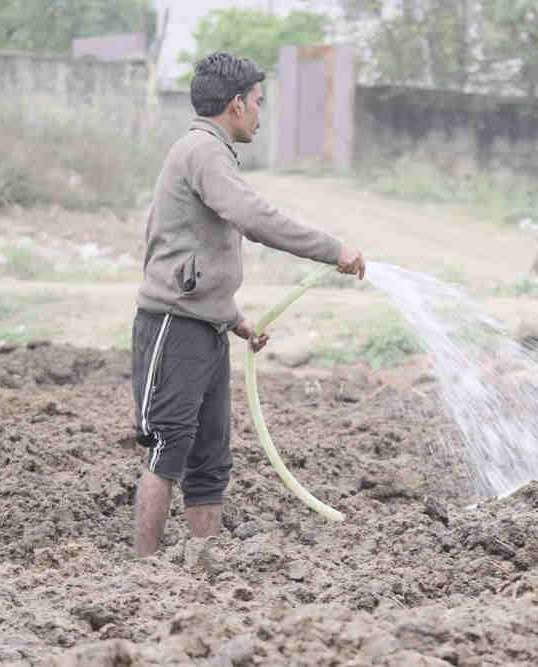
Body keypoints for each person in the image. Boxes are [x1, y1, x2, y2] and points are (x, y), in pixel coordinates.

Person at [130, 51, 365, 557]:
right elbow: (252, 217)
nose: (261, 113)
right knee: (168, 448)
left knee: (209, 460)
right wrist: (332, 248)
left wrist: (233, 320)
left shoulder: (207, 153)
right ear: (235, 105)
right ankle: (142, 574)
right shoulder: (203, 151)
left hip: (204, 328)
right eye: (258, 102)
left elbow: (191, 246)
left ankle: (204, 565)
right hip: (175, 327)